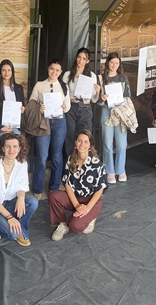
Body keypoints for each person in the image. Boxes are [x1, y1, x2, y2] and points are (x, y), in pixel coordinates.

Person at [50, 130, 106, 241]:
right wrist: (77, 206)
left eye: (86, 142)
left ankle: (90, 218)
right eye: (80, 141)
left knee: (75, 226)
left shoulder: (97, 164)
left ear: (90, 145)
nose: (82, 144)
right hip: (75, 198)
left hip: (91, 201)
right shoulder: (70, 160)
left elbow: (99, 190)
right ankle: (62, 224)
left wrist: (86, 209)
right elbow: (67, 184)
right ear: (75, 143)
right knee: (54, 196)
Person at [29, 59, 70, 196]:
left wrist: (64, 107)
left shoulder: (64, 86)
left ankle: (54, 187)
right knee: (42, 156)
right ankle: (38, 189)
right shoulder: (40, 85)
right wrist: (39, 108)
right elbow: (31, 102)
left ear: (61, 72)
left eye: (57, 70)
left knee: (57, 155)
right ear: (48, 69)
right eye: (52, 69)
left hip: (59, 122)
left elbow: (68, 105)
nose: (54, 72)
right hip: (43, 122)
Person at [98, 52, 131, 184]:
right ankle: (109, 171)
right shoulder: (101, 78)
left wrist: (121, 110)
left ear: (119, 64)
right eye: (112, 62)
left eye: (117, 63)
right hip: (106, 111)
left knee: (122, 144)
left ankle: (120, 170)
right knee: (107, 144)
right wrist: (102, 98)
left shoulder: (123, 78)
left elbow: (128, 97)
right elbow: (96, 101)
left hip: (120, 112)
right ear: (107, 63)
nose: (114, 65)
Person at [61, 48, 100, 159]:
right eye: (79, 57)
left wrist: (97, 92)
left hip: (85, 108)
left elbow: (94, 99)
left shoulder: (92, 76)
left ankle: (83, 164)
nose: (80, 60)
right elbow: (62, 94)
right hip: (71, 108)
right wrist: (70, 100)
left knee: (84, 137)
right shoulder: (67, 74)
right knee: (70, 137)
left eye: (83, 58)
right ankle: (71, 163)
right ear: (76, 58)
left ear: (87, 61)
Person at [0, 59, 26, 150]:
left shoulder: (19, 89)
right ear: (0, 72)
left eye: (9, 70)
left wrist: (22, 110)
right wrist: (0, 127)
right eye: (3, 70)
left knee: (13, 154)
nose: (6, 73)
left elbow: (22, 105)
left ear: (12, 72)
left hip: (14, 129)